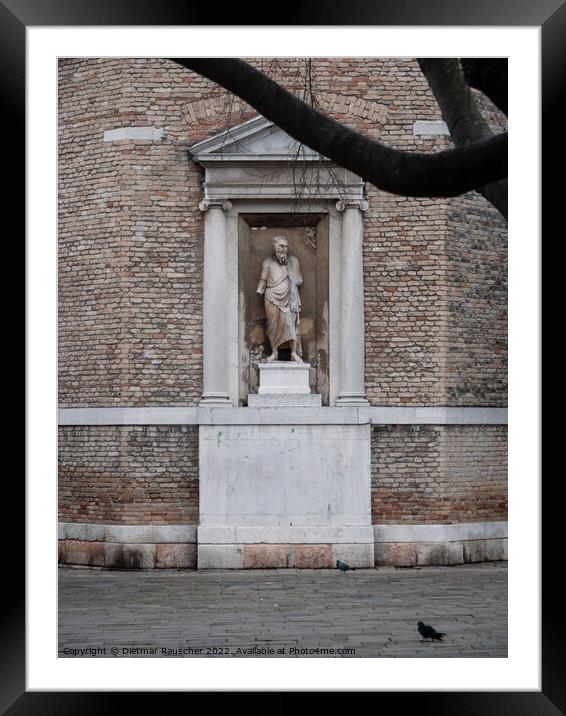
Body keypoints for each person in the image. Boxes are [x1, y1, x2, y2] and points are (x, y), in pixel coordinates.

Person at [256, 235, 303, 362]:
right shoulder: (267, 262)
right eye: (281, 246)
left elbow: (299, 279)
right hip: (271, 297)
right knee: (272, 325)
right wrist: (260, 290)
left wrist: (292, 277)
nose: (284, 249)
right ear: (274, 246)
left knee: (290, 324)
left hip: (289, 297)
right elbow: (263, 279)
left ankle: (293, 353)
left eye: (286, 246)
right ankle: (274, 352)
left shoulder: (293, 261)